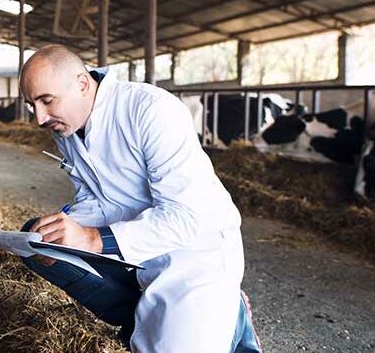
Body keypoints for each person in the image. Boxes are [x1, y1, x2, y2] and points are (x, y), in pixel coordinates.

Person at [18, 44, 261, 352]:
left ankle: (231, 312)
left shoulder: (151, 109)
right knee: (38, 241)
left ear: (81, 83)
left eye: (46, 101)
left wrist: (92, 239)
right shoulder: (67, 125)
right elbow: (94, 196)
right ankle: (140, 317)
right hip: (136, 249)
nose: (40, 118)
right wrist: (65, 226)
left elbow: (185, 218)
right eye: (32, 105)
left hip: (196, 251)